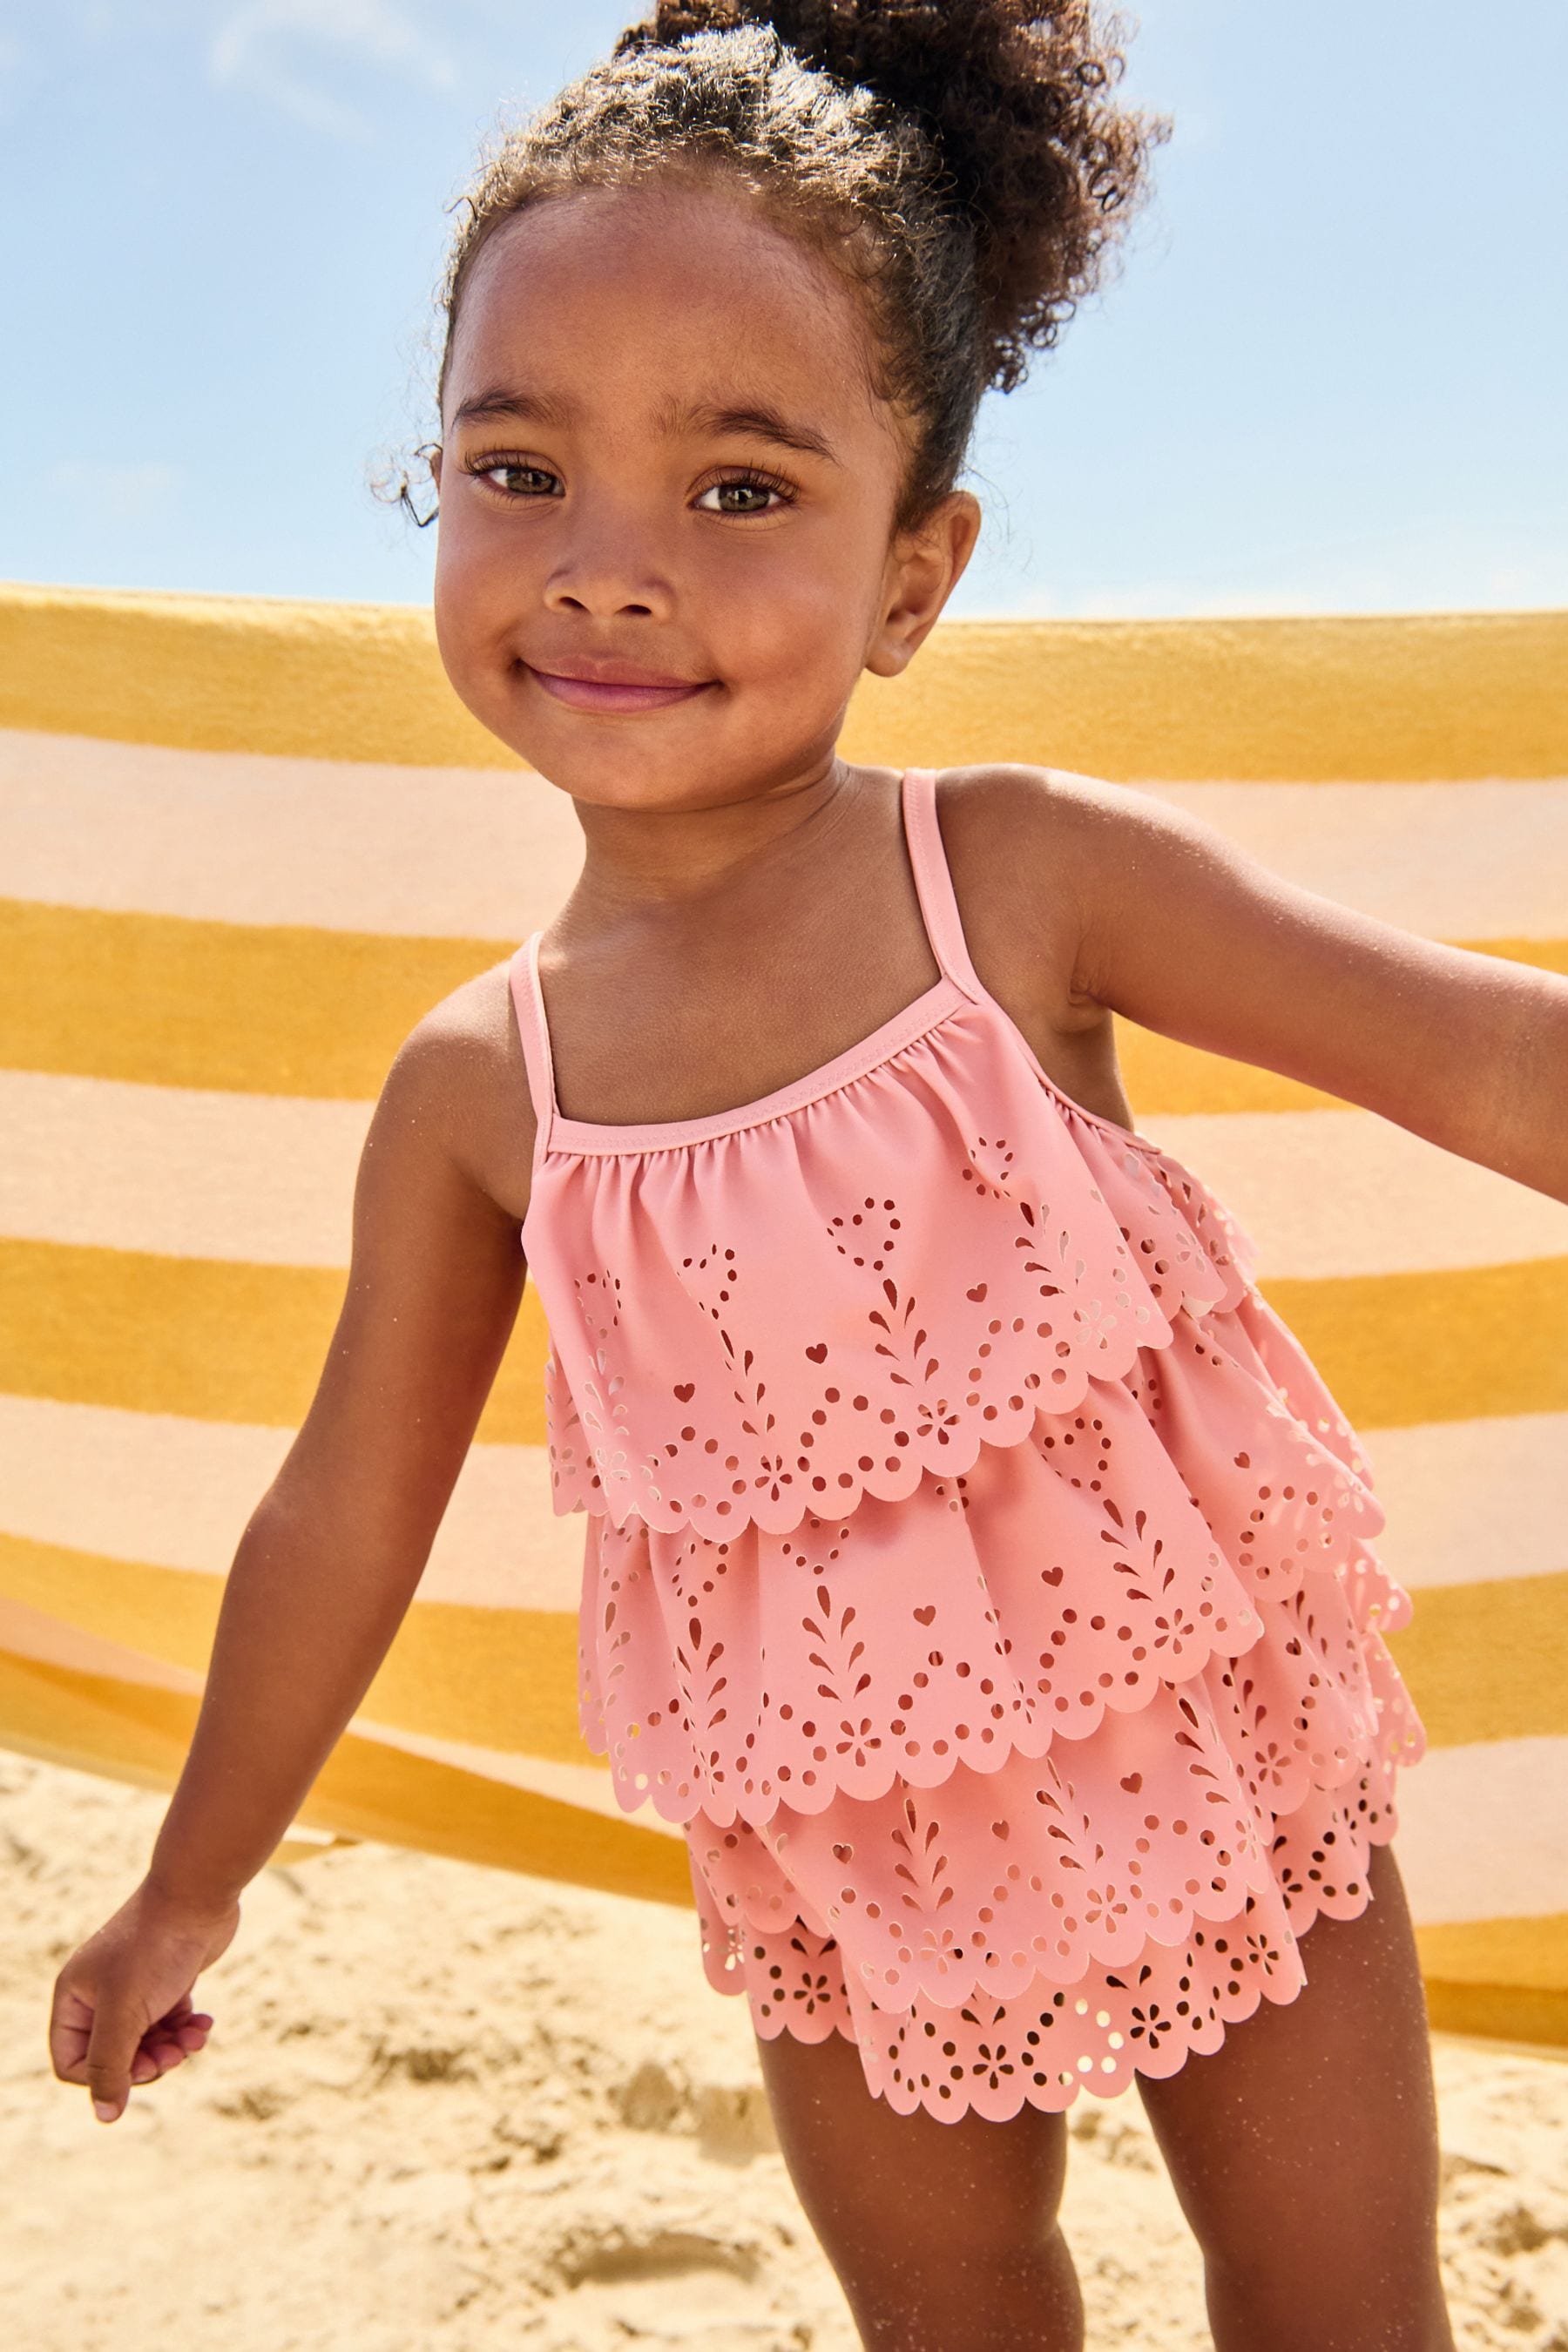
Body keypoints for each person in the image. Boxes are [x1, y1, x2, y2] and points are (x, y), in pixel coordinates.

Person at [48, 5, 1567, 2347]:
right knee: (955, 2315)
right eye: (517, 467)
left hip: (1202, 1730)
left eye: (743, 489)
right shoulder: (485, 1088)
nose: (614, 570)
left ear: (914, 575)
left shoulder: (1021, 886)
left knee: (1337, 2293)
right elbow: (339, 1506)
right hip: (837, 1835)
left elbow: (1487, 1063)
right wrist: (193, 1880)